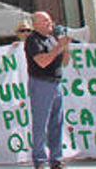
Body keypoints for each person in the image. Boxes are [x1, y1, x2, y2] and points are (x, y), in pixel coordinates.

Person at [25, 12, 71, 169]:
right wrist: (59, 47)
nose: (49, 22)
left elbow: (65, 62)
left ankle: (56, 159)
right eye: (45, 20)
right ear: (35, 24)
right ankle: (40, 160)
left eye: (50, 19)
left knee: (56, 123)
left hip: (56, 83)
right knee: (41, 123)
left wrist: (66, 47)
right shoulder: (33, 40)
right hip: (41, 83)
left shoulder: (52, 39)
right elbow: (42, 62)